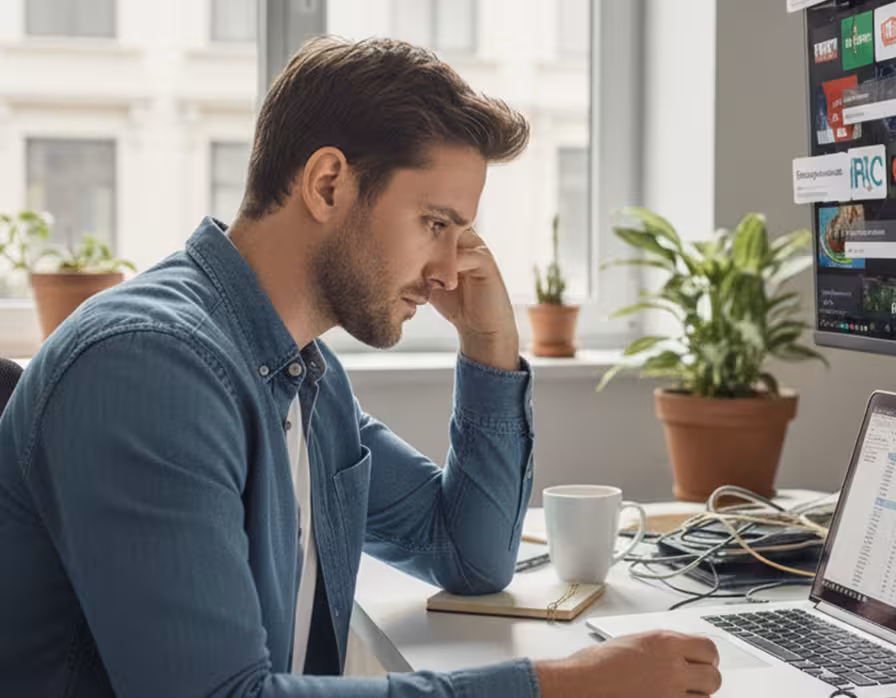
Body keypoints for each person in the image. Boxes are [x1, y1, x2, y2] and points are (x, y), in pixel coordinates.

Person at [0, 37, 721, 698]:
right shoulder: (151, 370)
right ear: (327, 185)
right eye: (434, 224)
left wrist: (490, 346)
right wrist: (562, 688)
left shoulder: (301, 375)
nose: (447, 271)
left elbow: (467, 556)